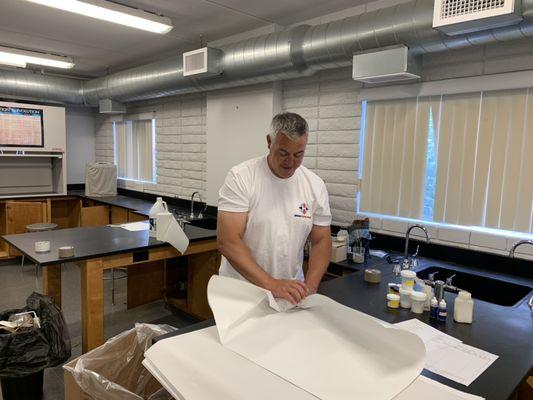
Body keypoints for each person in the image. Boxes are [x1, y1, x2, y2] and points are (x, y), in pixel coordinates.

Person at [217, 112, 332, 305]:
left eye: (298, 155)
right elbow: (228, 241)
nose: (290, 162)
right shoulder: (242, 177)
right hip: (241, 292)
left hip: (289, 293)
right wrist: (272, 284)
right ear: (269, 142)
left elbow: (321, 241)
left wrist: (310, 288)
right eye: (283, 153)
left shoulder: (315, 185)